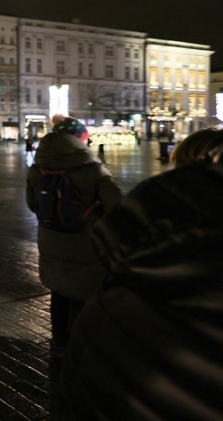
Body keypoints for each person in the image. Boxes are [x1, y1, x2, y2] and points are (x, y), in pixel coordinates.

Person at [59, 144, 223, 420]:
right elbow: (112, 201)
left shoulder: (124, 283)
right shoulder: (96, 173)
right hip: (85, 248)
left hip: (68, 247)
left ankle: (58, 339)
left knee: (63, 296)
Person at [25, 117, 123, 356]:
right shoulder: (92, 167)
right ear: (80, 139)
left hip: (50, 238)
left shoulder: (38, 167)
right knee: (83, 292)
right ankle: (79, 346)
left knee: (59, 292)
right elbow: (117, 207)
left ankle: (59, 342)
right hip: (84, 241)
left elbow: (32, 203)